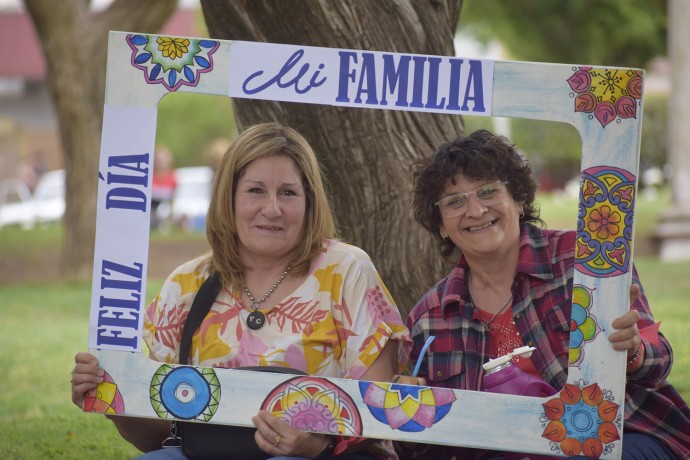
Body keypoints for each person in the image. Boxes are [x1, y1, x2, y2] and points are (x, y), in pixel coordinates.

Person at [71, 122, 412, 459]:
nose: (272, 209)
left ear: (310, 202)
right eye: (255, 190)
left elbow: (377, 412)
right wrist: (115, 399)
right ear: (228, 198)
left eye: (288, 193)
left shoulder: (347, 271)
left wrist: (315, 446)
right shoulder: (187, 283)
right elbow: (162, 437)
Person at [397, 129, 690, 459]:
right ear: (440, 224)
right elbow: (420, 446)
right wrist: (405, 416)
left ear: (518, 199)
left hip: (622, 436)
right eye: (455, 201)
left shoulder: (584, 259)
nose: (476, 210)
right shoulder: (430, 319)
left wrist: (634, 349)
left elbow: (659, 359)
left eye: (488, 191)